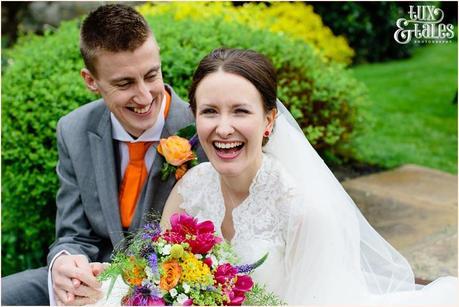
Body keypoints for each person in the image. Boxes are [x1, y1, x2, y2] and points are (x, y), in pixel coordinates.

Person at [157, 48, 458, 304]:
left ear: (268, 120)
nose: (223, 128)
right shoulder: (192, 187)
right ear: (195, 118)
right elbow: (158, 274)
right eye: (210, 111)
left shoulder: (304, 210)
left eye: (240, 111)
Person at [1, 4, 205, 306]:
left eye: (152, 75)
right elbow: (73, 235)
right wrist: (64, 262)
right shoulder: (73, 129)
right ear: (90, 81)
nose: (145, 96)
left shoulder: (200, 129)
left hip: (164, 287)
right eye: (125, 83)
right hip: (90, 283)